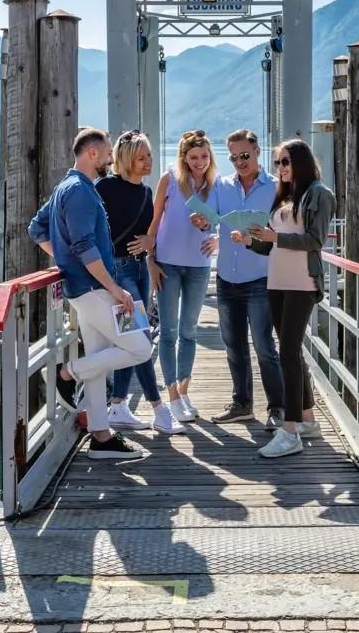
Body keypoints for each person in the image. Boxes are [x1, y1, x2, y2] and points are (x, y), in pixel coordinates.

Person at [27, 127, 152, 460]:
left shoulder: (66, 188)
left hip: (83, 289)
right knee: (142, 347)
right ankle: (67, 372)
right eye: (108, 153)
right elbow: (84, 245)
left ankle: (101, 436)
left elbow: (36, 228)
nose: (111, 159)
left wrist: (65, 261)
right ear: (92, 153)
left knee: (99, 359)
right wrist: (115, 288)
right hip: (96, 289)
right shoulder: (81, 191)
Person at [231, 139, 336, 458]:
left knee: (287, 353)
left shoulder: (319, 194)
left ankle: (290, 433)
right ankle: (307, 420)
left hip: (301, 282)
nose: (280, 168)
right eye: (277, 162)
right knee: (292, 352)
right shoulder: (284, 196)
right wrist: (250, 240)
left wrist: (274, 237)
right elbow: (270, 245)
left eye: (286, 162)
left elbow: (314, 240)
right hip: (276, 282)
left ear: (301, 162)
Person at [189, 130, 286, 429]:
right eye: (233, 157)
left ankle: (278, 408)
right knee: (233, 346)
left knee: (264, 347)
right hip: (226, 278)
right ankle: (242, 404)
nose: (240, 162)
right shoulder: (222, 184)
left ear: (257, 151)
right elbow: (211, 222)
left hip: (260, 278)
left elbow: (284, 231)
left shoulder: (275, 187)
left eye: (244, 155)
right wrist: (202, 222)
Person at [96, 130, 184, 435]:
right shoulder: (105, 188)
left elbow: (153, 232)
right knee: (141, 339)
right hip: (118, 272)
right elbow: (92, 229)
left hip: (140, 270)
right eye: (141, 157)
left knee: (130, 338)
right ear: (126, 159)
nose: (148, 161)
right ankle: (159, 409)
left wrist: (150, 241)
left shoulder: (147, 193)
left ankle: (118, 405)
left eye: (149, 155)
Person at [147, 129, 218, 422]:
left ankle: (185, 392)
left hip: (199, 265)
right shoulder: (169, 180)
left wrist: (216, 238)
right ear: (184, 158)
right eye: (193, 157)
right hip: (167, 265)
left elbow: (223, 223)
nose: (199, 162)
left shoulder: (216, 185)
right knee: (168, 331)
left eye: (204, 156)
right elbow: (153, 223)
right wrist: (150, 260)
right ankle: (173, 396)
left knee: (189, 331)